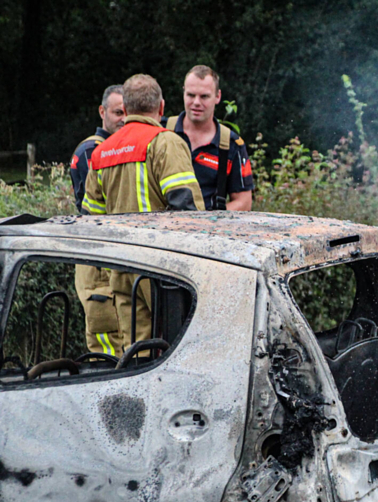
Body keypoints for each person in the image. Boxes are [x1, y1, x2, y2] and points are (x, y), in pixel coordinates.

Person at [79, 74, 203, 356]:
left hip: (121, 271)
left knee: (136, 351)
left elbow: (90, 221)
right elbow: (190, 214)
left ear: (128, 108)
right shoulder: (165, 143)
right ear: (161, 107)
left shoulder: (102, 152)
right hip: (163, 272)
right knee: (177, 350)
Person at [166, 65, 254, 211]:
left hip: (207, 230)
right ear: (183, 93)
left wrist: (209, 220)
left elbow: (244, 203)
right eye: (191, 95)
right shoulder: (162, 131)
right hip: (162, 227)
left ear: (217, 97)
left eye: (204, 96)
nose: (196, 102)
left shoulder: (231, 145)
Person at [69, 85, 125, 212]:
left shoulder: (121, 146)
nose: (124, 119)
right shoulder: (90, 149)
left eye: (127, 113)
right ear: (102, 112)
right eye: (118, 113)